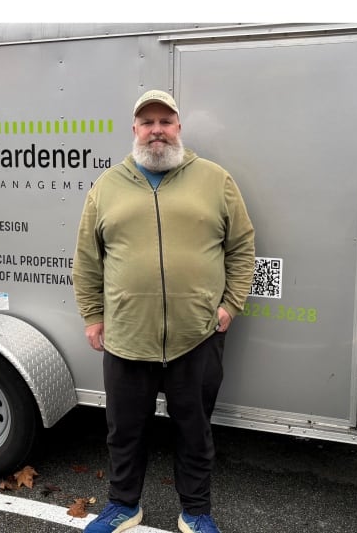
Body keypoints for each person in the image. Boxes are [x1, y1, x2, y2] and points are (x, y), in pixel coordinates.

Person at [72, 89, 256, 533]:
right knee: (124, 431)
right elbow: (87, 258)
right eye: (147, 122)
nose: (157, 131)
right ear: (134, 130)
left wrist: (231, 304)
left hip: (197, 336)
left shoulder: (215, 180)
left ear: (179, 128)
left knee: (194, 431)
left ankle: (195, 511)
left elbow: (242, 245)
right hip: (126, 336)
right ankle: (123, 505)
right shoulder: (106, 187)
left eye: (165, 121)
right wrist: (93, 315)